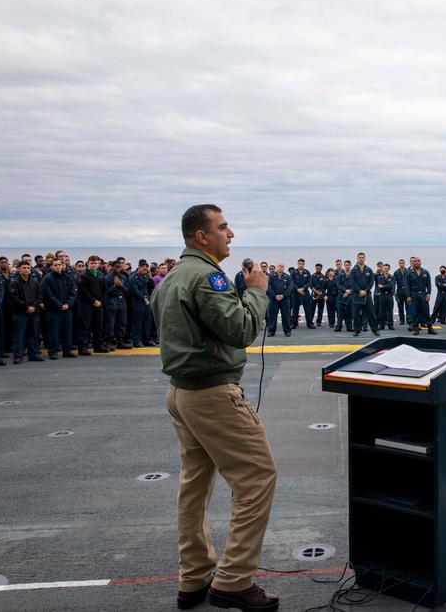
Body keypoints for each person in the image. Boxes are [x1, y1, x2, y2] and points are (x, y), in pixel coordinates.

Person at [150, 204, 279, 612]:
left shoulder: (172, 276)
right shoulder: (209, 277)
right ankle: (234, 580)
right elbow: (240, 330)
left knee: (194, 486)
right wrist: (256, 290)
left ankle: (194, 578)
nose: (231, 234)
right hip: (212, 394)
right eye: (223, 227)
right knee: (257, 477)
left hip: (181, 393)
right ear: (201, 236)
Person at [8, 260, 45, 363]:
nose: (26, 270)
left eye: (28, 268)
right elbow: (14, 298)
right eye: (23, 268)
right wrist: (26, 308)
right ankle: (18, 356)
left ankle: (33, 354)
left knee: (34, 335)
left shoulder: (35, 282)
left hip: (34, 313)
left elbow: (39, 296)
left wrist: (33, 307)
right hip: (20, 313)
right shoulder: (14, 283)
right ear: (19, 269)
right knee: (19, 336)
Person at [40, 257, 77, 360]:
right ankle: (53, 351)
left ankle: (67, 350)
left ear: (62, 265)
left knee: (67, 331)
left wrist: (68, 305)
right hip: (53, 310)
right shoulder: (47, 279)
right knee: (53, 332)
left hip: (67, 309)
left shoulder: (68, 278)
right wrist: (59, 305)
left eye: (59, 264)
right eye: (55, 265)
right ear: (51, 266)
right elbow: (47, 294)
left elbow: (73, 293)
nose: (57, 267)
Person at [349, 253, 380, 338]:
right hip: (356, 294)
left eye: (363, 257)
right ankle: (356, 330)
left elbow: (371, 282)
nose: (361, 259)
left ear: (365, 258)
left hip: (367, 294)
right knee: (356, 313)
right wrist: (359, 291)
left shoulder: (368, 269)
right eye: (360, 257)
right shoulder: (353, 270)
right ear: (357, 258)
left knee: (371, 312)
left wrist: (365, 290)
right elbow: (352, 282)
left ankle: (375, 330)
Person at [404, 256, 435, 335]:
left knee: (426, 311)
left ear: (420, 262)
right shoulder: (409, 273)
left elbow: (428, 284)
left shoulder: (425, 272)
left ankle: (430, 328)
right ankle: (416, 328)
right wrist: (408, 296)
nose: (417, 262)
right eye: (415, 261)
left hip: (423, 294)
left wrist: (428, 294)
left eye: (418, 261)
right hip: (413, 294)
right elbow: (407, 286)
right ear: (412, 263)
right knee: (415, 312)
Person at [129, 263, 154, 347]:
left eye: (146, 270)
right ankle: (136, 340)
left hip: (147, 301)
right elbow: (135, 291)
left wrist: (150, 277)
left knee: (147, 321)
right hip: (138, 301)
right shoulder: (133, 278)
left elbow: (152, 286)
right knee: (138, 322)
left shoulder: (145, 278)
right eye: (144, 269)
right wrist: (143, 299)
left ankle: (146, 339)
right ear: (139, 268)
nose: (145, 272)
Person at [267, 262, 293, 336]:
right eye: (279, 266)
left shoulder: (287, 277)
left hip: (284, 299)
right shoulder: (271, 276)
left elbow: (290, 288)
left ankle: (287, 331)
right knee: (272, 316)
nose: (280, 267)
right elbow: (269, 287)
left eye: (282, 266)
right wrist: (275, 296)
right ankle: (271, 331)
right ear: (277, 266)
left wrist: (283, 296)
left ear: (284, 267)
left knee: (286, 316)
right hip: (274, 299)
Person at [290, 259, 314, 329]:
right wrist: (298, 289)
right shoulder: (294, 272)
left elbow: (309, 282)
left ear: (304, 264)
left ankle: (309, 323)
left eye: (302, 264)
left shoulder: (307, 272)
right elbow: (292, 282)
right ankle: (294, 323)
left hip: (305, 292)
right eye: (300, 264)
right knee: (295, 309)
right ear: (297, 264)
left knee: (307, 309)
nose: (301, 265)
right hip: (296, 292)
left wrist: (303, 288)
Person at [375, 262, 396, 331]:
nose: (386, 270)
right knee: (382, 311)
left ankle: (390, 324)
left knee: (390, 311)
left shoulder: (392, 277)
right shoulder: (380, 277)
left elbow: (391, 285)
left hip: (389, 295)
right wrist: (386, 286)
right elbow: (379, 286)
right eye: (385, 268)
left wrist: (384, 286)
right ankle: (382, 325)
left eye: (387, 268)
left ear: (389, 269)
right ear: (383, 269)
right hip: (382, 295)